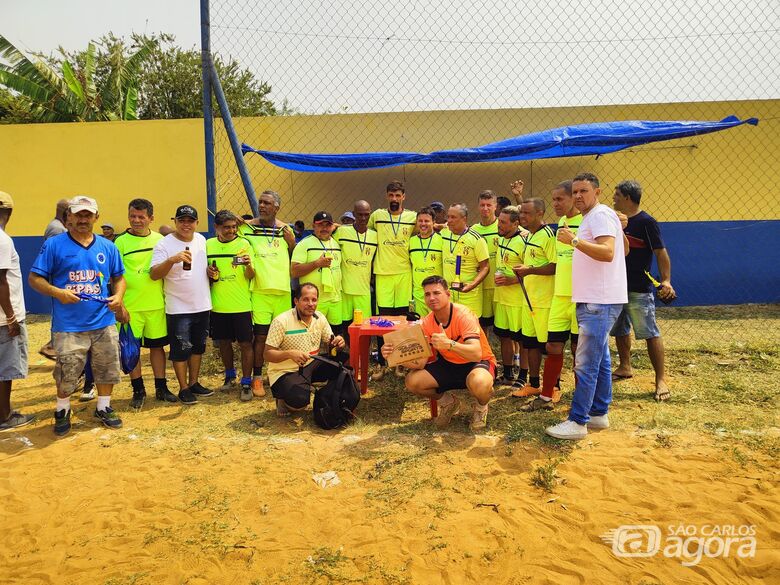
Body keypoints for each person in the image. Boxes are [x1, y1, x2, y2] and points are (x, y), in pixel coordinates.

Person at [29, 196, 126, 436]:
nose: (83, 219)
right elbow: (35, 279)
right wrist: (58, 293)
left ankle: (104, 407)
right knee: (67, 371)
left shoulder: (108, 247)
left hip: (103, 321)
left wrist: (119, 297)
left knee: (107, 368)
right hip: (69, 325)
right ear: (69, 217)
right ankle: (62, 410)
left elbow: (119, 278)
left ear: (96, 217)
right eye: (78, 214)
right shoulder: (54, 245)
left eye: (88, 215)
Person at [546, 173, 627, 440]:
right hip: (596, 298)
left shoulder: (599, 215)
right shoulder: (600, 216)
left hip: (599, 300)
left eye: (584, 191)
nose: (579, 196)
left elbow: (608, 252)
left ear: (598, 192)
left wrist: (574, 241)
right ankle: (598, 414)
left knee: (586, 363)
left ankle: (577, 421)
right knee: (600, 359)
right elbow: (623, 249)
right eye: (576, 191)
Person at [382, 276, 496, 431]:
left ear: (448, 294)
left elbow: (476, 353)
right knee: (412, 381)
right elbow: (420, 363)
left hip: (477, 362)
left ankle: (481, 407)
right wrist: (394, 356)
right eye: (427, 294)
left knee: (480, 383)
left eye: (436, 293)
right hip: (449, 364)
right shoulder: (427, 322)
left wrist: (450, 344)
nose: (432, 298)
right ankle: (449, 403)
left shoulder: (464, 314)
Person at [611, 180, 675, 401]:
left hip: (639, 288)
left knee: (649, 332)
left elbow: (660, 252)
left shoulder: (647, 222)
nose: (613, 199)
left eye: (617, 195)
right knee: (619, 329)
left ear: (628, 198)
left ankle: (660, 379)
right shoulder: (613, 220)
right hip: (616, 286)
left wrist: (666, 281)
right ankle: (624, 366)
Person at [522, 181, 581, 412]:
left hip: (579, 297)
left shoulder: (587, 222)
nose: (555, 203)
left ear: (573, 199)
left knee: (579, 349)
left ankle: (580, 396)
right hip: (559, 296)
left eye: (560, 199)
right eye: (553, 199)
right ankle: (546, 396)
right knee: (553, 346)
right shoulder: (562, 224)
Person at [113, 198, 175, 408]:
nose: (136, 220)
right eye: (132, 216)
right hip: (131, 308)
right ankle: (138, 390)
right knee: (132, 349)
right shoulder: (120, 242)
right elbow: (115, 276)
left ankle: (161, 387)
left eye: (141, 217)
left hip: (156, 305)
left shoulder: (160, 240)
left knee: (157, 348)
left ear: (151, 218)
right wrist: (119, 304)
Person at [150, 205, 213, 405]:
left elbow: (201, 269)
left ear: (197, 223)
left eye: (190, 221)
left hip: (202, 304)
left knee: (198, 348)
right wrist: (172, 260)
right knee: (181, 350)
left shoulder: (202, 240)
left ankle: (194, 383)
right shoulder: (164, 244)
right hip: (178, 307)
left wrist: (211, 274)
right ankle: (183, 388)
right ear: (175, 221)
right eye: (182, 220)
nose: (186, 225)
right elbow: (154, 274)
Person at [239, 190, 297, 397]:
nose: (262, 206)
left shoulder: (285, 230)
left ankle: (283, 375)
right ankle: (256, 378)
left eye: (267, 203)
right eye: (260, 203)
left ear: (277, 207)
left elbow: (294, 254)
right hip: (260, 291)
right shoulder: (248, 228)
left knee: (284, 337)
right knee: (260, 337)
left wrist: (292, 242)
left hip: (282, 291)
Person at [264, 283, 348, 417]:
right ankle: (283, 400)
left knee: (344, 363)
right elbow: (267, 354)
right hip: (285, 371)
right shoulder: (281, 321)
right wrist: (289, 354)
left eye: (314, 300)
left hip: (311, 364)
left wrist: (339, 342)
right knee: (299, 403)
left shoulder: (319, 317)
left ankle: (327, 396)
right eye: (305, 299)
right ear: (296, 301)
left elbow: (330, 343)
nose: (310, 304)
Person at [207, 210, 255, 401]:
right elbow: (204, 273)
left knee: (245, 344)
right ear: (216, 227)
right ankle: (229, 376)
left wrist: (249, 266)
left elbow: (251, 275)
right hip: (219, 305)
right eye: (226, 227)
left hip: (242, 304)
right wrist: (208, 272)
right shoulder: (208, 245)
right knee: (224, 343)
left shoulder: (244, 244)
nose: (231, 231)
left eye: (234, 227)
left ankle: (246, 382)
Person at [510, 198, 557, 398]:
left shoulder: (549, 236)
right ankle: (534, 383)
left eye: (527, 213)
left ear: (540, 213)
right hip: (528, 300)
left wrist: (529, 270)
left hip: (544, 301)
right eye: (521, 213)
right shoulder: (528, 235)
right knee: (529, 344)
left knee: (549, 347)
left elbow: (555, 266)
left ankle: (554, 387)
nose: (522, 216)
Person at [0, 192, 34, 431]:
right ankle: (4, 416)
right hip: (4, 318)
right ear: (9, 213)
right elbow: (1, 281)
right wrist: (11, 317)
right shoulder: (2, 240)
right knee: (6, 369)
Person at [368, 180, 417, 315]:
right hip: (383, 272)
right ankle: (382, 337)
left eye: (397, 195)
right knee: (384, 312)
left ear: (403, 197)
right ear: (386, 196)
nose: (394, 199)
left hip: (404, 272)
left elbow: (426, 229)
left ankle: (403, 337)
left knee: (404, 312)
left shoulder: (413, 217)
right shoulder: (377, 215)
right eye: (391, 195)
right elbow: (364, 232)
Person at [492, 205, 527, 388]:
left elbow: (531, 272)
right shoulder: (501, 238)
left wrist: (511, 280)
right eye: (499, 221)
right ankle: (507, 373)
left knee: (521, 339)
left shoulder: (524, 241)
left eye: (504, 223)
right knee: (503, 337)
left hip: (517, 300)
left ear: (516, 224)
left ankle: (523, 375)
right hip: (501, 298)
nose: (500, 225)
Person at [291, 211, 343, 332]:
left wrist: (336, 226)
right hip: (314, 300)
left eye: (328, 225)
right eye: (320, 225)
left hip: (335, 298)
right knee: (313, 333)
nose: (324, 228)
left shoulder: (336, 243)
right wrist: (316, 264)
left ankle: (333, 352)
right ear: (313, 226)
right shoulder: (304, 244)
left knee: (334, 335)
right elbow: (294, 271)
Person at [440, 203, 489, 317]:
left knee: (470, 329)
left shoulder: (476, 239)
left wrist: (472, 285)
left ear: (464, 219)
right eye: (448, 217)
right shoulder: (444, 233)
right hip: (448, 293)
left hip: (469, 294)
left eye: (453, 217)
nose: (449, 220)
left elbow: (485, 267)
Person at [333, 200, 377, 327]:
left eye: (366, 214)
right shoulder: (342, 232)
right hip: (344, 289)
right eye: (359, 214)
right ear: (353, 214)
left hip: (363, 289)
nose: (363, 218)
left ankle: (364, 348)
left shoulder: (375, 236)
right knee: (345, 323)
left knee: (364, 325)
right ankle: (349, 347)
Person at [38, 199, 70, 361]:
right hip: (61, 280)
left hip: (61, 280)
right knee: (62, 313)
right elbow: (57, 256)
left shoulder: (57, 226)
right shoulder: (56, 229)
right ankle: (52, 346)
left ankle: (53, 345)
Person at [471, 190, 500, 330]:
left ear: (495, 206)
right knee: (483, 326)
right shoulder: (473, 230)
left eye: (489, 205)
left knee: (505, 330)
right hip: (482, 285)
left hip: (501, 286)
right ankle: (484, 352)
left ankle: (515, 353)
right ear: (478, 207)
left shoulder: (504, 225)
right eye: (482, 205)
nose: (485, 208)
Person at [408, 207, 443, 318]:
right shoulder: (411, 241)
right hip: (417, 295)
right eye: (420, 221)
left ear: (433, 222)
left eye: (427, 221)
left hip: (436, 294)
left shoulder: (442, 240)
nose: (423, 224)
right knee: (418, 328)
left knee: (438, 328)